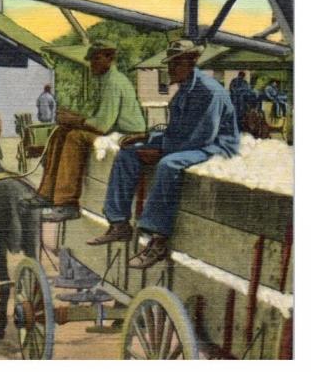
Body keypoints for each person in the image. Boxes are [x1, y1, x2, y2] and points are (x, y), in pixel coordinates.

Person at [87, 40, 239, 269]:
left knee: (168, 164)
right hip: (191, 142)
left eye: (175, 63)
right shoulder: (185, 89)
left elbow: (199, 138)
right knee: (127, 154)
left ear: (192, 61)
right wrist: (146, 138)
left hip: (216, 146)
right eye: (170, 64)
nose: (170, 69)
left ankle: (158, 240)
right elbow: (176, 131)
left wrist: (160, 150)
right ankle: (119, 223)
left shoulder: (208, 91)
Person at [39, 40, 146, 222]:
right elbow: (100, 119)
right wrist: (72, 118)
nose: (92, 64)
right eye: (91, 60)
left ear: (110, 58)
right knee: (60, 132)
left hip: (127, 136)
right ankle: (46, 194)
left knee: (74, 137)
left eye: (96, 59)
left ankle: (67, 203)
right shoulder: (106, 81)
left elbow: (102, 125)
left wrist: (75, 120)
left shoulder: (114, 82)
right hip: (115, 132)